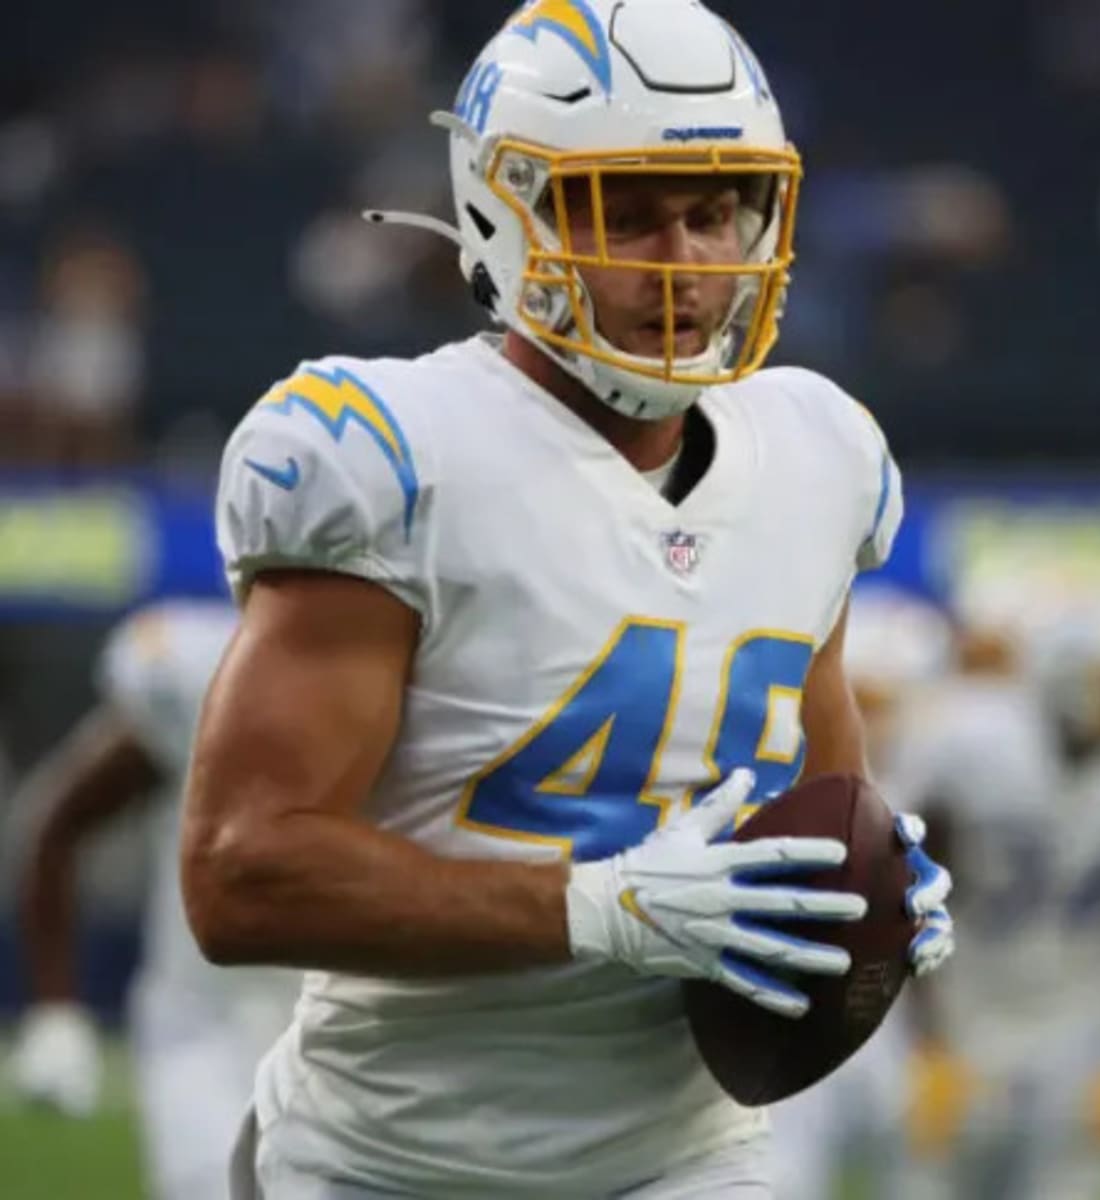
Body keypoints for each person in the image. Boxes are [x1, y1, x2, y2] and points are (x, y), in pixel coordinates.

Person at [181, 3, 954, 1196]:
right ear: (508, 212)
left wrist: (872, 886)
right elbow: (240, 876)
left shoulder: (822, 452)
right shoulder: (391, 454)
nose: (687, 262)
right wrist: (601, 908)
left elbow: (813, 798)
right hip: (389, 1160)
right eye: (626, 215)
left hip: (687, 1156)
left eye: (715, 211)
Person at [898, 554, 1100, 1200]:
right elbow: (910, 895)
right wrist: (923, 1037)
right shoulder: (969, 742)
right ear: (1069, 674)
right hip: (967, 1001)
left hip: (1087, 1014)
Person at [9, 599, 296, 1200]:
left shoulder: (433, 690)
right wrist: (56, 1009)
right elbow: (59, 823)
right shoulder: (203, 678)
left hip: (344, 1029)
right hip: (204, 1027)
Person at [770, 585, 953, 1200]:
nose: (870, 719)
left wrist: (939, 1040)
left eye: (882, 700)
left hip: (893, 1018)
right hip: (790, 1012)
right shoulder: (772, 773)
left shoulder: (933, 777)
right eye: (860, 699)